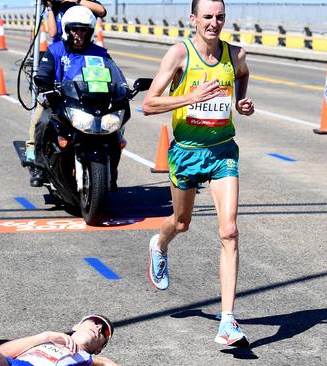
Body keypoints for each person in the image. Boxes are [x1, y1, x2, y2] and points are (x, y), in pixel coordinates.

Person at [141, 0, 254, 347]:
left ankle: (227, 322)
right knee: (181, 222)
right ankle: (159, 244)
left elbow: (243, 76)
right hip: (187, 153)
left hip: (222, 151)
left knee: (230, 231)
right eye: (207, 16)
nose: (214, 23)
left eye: (220, 17)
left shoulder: (235, 55)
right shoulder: (179, 55)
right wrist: (190, 96)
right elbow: (148, 104)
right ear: (193, 19)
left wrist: (240, 103)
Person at [26, 5, 112, 187]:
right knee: (42, 123)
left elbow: (113, 75)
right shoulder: (55, 50)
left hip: (90, 103)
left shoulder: (100, 53)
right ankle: (39, 167)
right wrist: (43, 80)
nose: (78, 34)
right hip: (58, 101)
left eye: (83, 30)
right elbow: (44, 71)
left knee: (116, 131)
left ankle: (111, 169)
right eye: (74, 29)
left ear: (90, 32)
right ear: (67, 29)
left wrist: (122, 89)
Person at [0, 314, 117, 366]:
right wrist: (45, 336)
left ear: (99, 348)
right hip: (17, 364)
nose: (97, 328)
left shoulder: (89, 359)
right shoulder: (46, 339)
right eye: (95, 321)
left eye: (103, 331)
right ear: (77, 326)